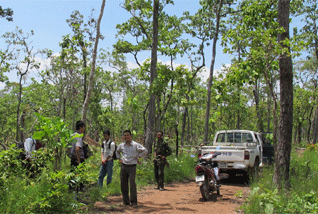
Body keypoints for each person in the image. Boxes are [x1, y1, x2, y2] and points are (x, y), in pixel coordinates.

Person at [116, 130, 148, 207]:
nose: (126, 137)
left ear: (131, 136)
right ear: (123, 137)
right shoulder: (121, 145)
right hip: (124, 166)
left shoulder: (135, 145)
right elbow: (117, 152)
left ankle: (134, 202)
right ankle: (126, 201)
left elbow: (145, 151)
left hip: (132, 166)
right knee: (123, 184)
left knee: (132, 184)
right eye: (125, 135)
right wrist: (119, 158)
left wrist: (139, 157)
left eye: (128, 135)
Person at [69, 120, 86, 191]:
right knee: (79, 176)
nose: (84, 129)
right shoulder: (78, 136)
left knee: (72, 176)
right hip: (78, 159)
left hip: (73, 158)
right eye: (84, 127)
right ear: (80, 127)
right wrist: (79, 161)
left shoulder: (72, 135)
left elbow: (68, 148)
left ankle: (71, 190)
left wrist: (70, 156)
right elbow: (77, 148)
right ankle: (78, 191)